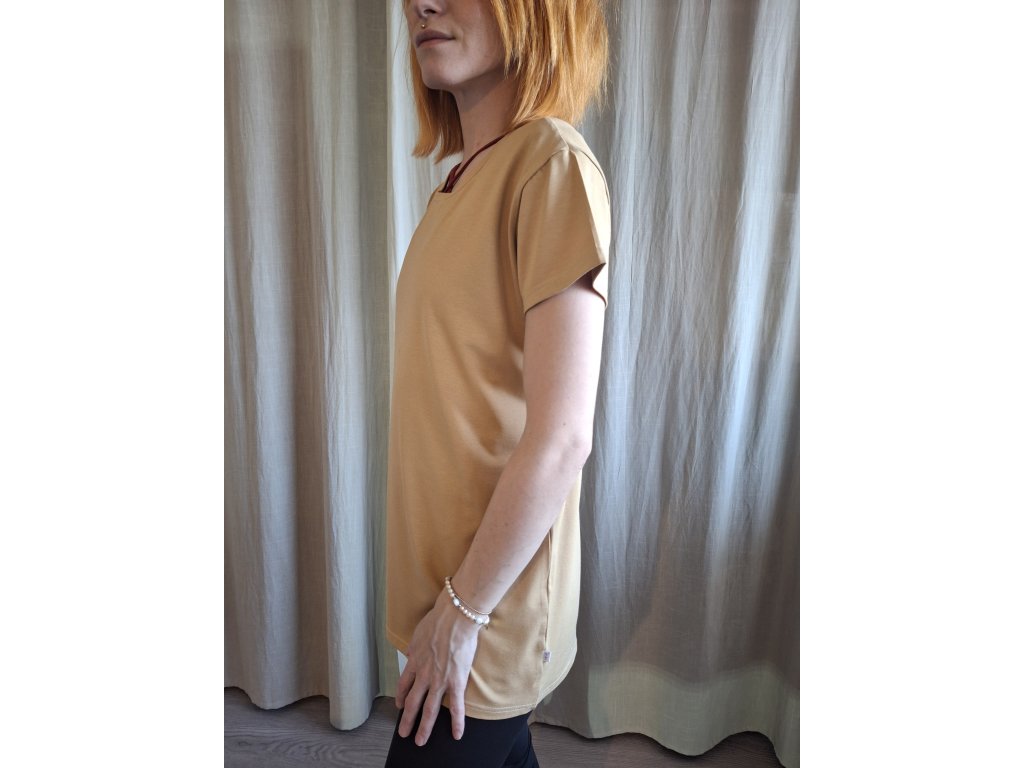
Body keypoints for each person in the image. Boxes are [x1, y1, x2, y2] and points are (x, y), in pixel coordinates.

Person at [384, 1, 610, 765]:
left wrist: (462, 613)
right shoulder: (460, 181)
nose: (421, 4)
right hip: (449, 588)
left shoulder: (551, 166)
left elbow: (563, 437)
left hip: (485, 609)